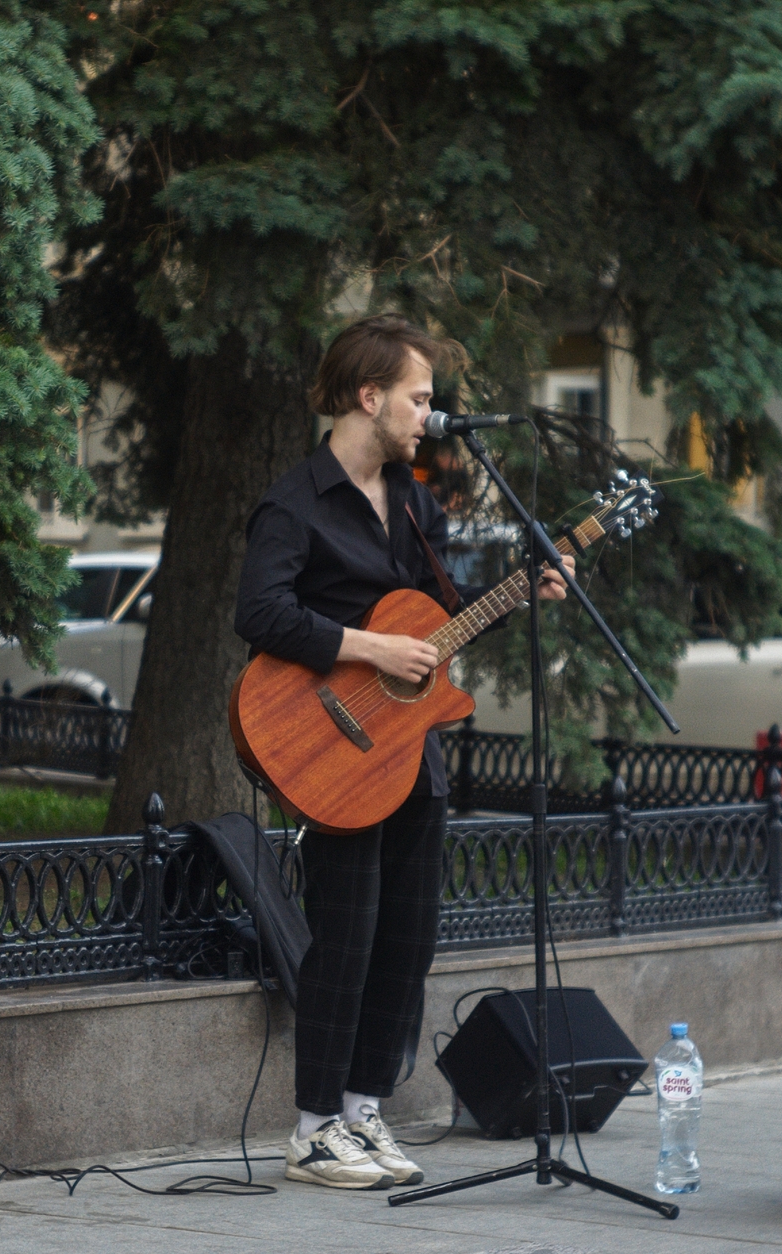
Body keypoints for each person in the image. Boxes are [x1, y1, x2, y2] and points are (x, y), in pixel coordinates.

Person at [234, 315, 573, 1189]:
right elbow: (261, 614)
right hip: (328, 743)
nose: (429, 414)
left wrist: (522, 593)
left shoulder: (416, 502)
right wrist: (367, 648)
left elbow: (438, 620)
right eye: (419, 398)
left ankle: (361, 1111)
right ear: (368, 395)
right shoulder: (293, 502)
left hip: (406, 749)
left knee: (407, 939)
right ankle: (311, 1131)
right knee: (345, 935)